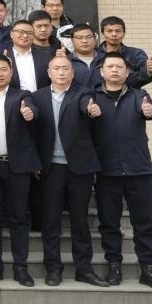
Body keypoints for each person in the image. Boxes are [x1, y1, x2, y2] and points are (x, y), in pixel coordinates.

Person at [90, 51, 152, 291]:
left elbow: (151, 110)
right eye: (110, 66)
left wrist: (150, 112)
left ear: (127, 72)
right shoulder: (92, 98)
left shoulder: (138, 95)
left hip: (138, 169)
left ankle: (147, 268)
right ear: (101, 71)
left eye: (119, 67)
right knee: (109, 223)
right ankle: (114, 265)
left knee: (144, 222)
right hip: (107, 172)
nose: (114, 70)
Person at [31, 53, 108, 287]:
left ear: (73, 73)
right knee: (50, 221)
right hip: (50, 168)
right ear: (48, 73)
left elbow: (87, 106)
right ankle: (53, 269)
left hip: (79, 168)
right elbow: (32, 132)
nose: (61, 72)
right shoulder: (37, 97)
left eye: (66, 69)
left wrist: (90, 110)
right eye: (57, 69)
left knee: (80, 220)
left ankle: (84, 269)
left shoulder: (83, 94)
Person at [0, 54, 40, 286]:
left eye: (4, 69)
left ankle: (21, 268)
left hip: (17, 167)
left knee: (19, 217)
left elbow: (33, 110)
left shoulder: (22, 96)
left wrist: (29, 113)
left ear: (11, 72)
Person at [6, 19, 49, 92]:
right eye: (20, 32)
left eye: (29, 33)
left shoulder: (45, 57)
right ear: (11, 34)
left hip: (39, 97)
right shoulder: (3, 57)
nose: (25, 35)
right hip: (12, 98)